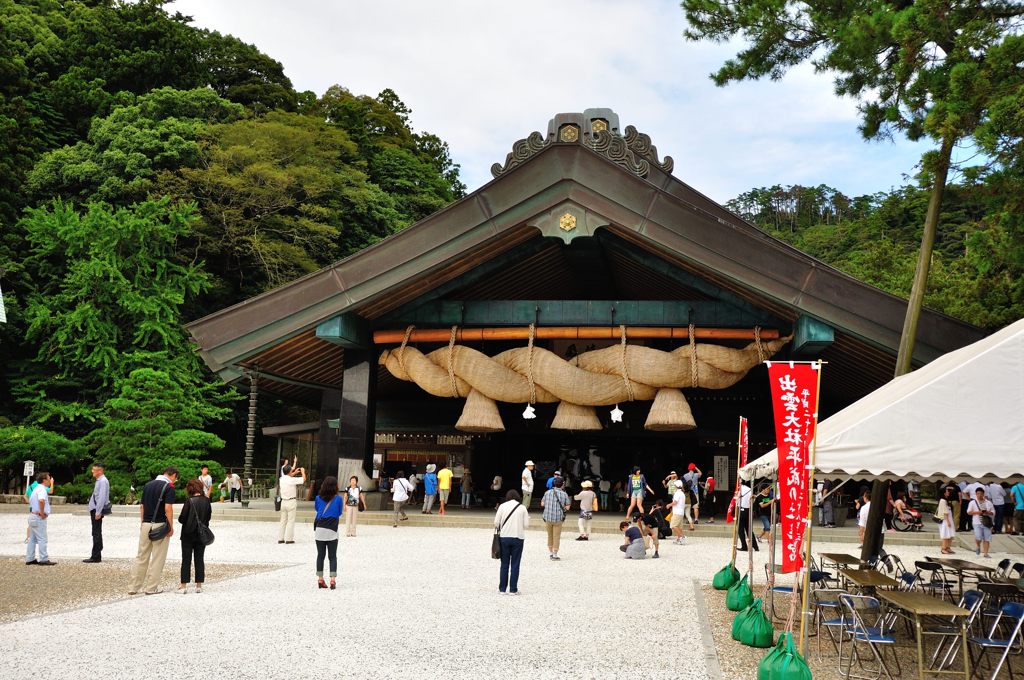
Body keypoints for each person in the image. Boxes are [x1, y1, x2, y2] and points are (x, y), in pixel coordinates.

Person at [128, 467, 178, 595]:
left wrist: (142, 523)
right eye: (175, 478)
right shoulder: (169, 487)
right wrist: (170, 527)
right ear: (173, 475)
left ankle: (133, 587)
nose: (175, 480)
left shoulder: (148, 485)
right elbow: (168, 508)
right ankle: (151, 588)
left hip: (145, 523)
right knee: (158, 557)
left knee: (141, 556)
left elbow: (142, 506)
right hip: (160, 525)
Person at [177, 478, 212, 594]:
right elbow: (208, 517)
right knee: (199, 559)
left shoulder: (189, 501)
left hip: (188, 534)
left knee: (186, 559)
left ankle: (183, 586)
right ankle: (199, 585)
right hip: (201, 534)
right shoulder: (207, 501)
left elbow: (182, 518)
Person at [310, 476, 342, 589]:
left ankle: (320, 579)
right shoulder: (338, 499)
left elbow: (317, 509)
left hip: (320, 529)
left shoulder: (318, 498)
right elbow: (339, 513)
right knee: (332, 556)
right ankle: (333, 580)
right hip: (332, 529)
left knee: (320, 555)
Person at [495, 489, 529, 594]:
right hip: (518, 537)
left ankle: (502, 589)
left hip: (504, 537)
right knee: (515, 564)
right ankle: (513, 589)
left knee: (504, 564)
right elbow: (526, 525)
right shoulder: (522, 508)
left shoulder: (502, 506)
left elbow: (496, 523)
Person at [26, 472, 55, 566]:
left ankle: (30, 558)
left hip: (32, 515)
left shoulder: (36, 489)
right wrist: (42, 513)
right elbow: (41, 500)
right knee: (42, 538)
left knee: (32, 539)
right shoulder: (42, 489)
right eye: (48, 478)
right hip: (38, 517)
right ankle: (43, 559)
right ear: (44, 480)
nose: (50, 480)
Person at [84, 462, 109, 563]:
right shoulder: (100, 480)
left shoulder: (103, 481)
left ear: (100, 470)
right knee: (96, 532)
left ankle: (96, 556)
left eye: (94, 470)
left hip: (97, 510)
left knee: (96, 532)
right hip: (95, 509)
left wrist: (98, 512)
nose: (92, 471)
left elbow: (102, 498)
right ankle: (97, 553)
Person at [540, 477, 570, 560]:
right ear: (562, 484)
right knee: (556, 536)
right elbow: (567, 507)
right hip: (558, 519)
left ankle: (550, 553)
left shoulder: (547, 492)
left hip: (548, 518)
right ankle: (555, 554)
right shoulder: (564, 494)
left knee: (550, 536)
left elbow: (542, 504)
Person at [277, 464, 306, 544]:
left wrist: (295, 473)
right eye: (291, 470)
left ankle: (280, 538)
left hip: (283, 502)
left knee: (283, 521)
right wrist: (303, 472)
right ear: (290, 471)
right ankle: (289, 539)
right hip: (291, 502)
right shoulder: (291, 480)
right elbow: (303, 479)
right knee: (290, 521)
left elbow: (288, 477)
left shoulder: (281, 479)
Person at [968, 486, 995, 558]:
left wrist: (988, 512)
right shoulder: (972, 502)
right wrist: (978, 512)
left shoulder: (988, 502)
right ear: (976, 494)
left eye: (981, 493)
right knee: (978, 537)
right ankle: (978, 545)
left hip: (987, 523)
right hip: (977, 522)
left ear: (983, 494)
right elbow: (969, 512)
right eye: (978, 493)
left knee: (987, 538)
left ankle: (986, 553)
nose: (979, 495)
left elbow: (993, 512)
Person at [736, 481, 758, 552]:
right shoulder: (750, 490)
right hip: (748, 510)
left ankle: (744, 546)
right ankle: (755, 547)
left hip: (741, 510)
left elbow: (737, 501)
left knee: (740, 530)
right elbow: (752, 501)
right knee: (749, 530)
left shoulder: (740, 489)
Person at [936, 485, 955, 554]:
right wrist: (948, 521)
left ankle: (948, 547)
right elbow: (945, 512)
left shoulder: (946, 500)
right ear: (944, 493)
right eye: (947, 491)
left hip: (948, 519)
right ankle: (943, 548)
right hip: (945, 520)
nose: (948, 492)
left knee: (950, 534)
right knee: (946, 534)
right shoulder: (943, 501)